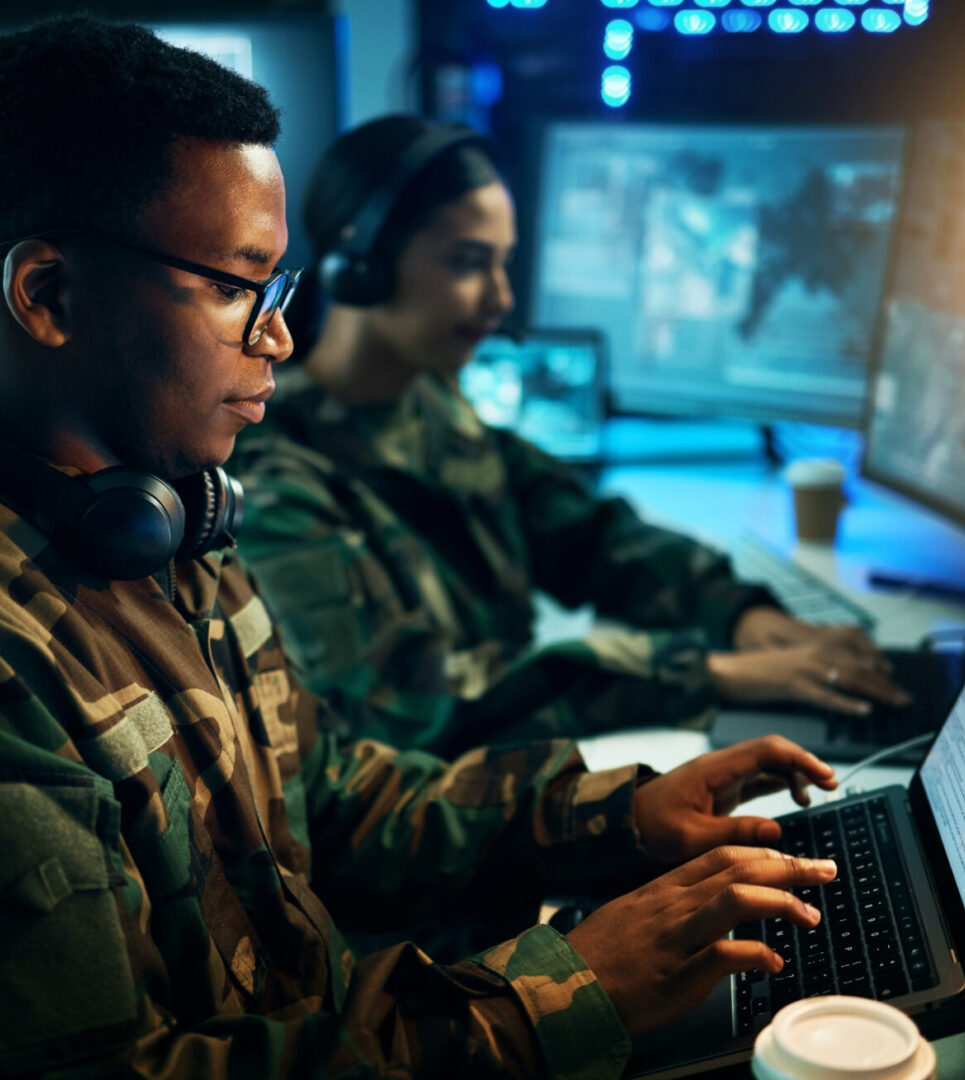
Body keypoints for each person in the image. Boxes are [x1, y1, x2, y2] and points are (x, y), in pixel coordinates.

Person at [0, 20, 843, 1078]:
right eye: (236, 286)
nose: (279, 332)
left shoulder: (152, 512)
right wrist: (562, 993)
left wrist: (612, 818)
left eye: (277, 283)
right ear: (51, 295)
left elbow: (322, 792)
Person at [229, 115, 910, 758]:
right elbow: (407, 703)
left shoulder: (428, 397)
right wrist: (712, 674)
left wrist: (739, 615)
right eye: (468, 263)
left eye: (503, 263)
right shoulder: (272, 479)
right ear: (362, 261)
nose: (500, 299)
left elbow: (587, 535)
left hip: (520, 785)